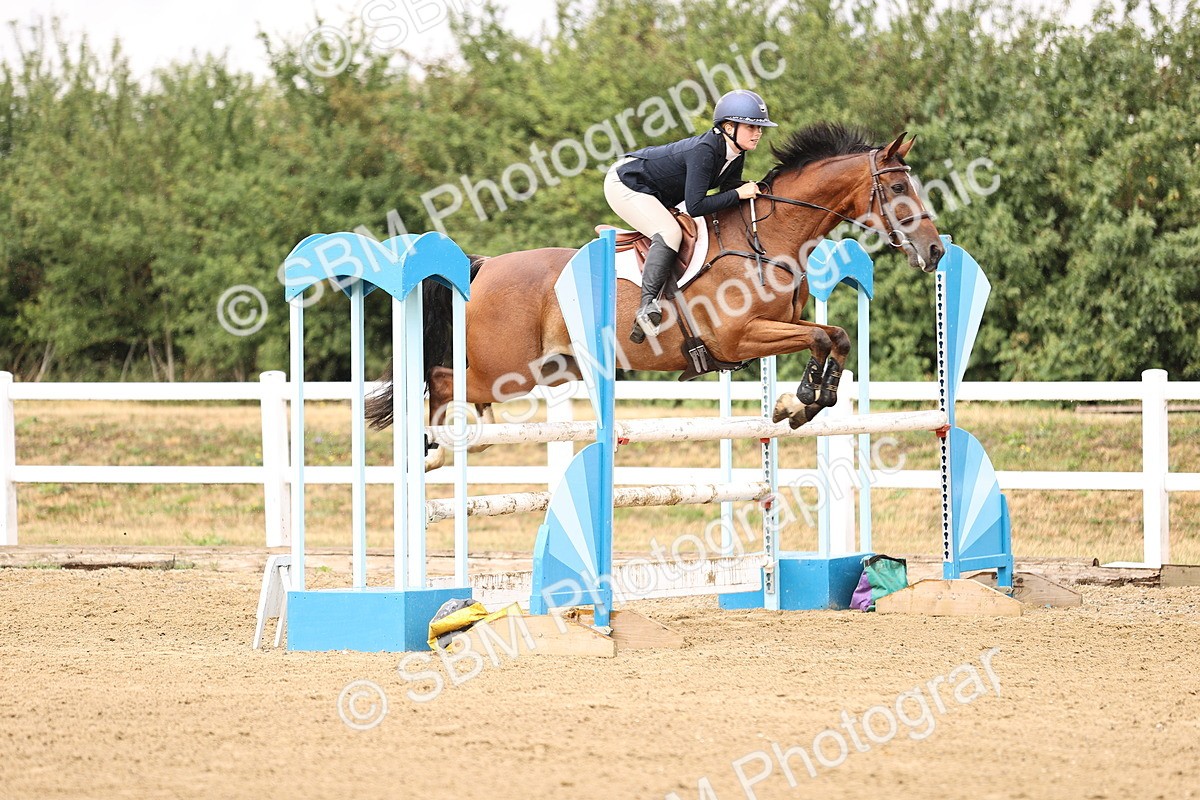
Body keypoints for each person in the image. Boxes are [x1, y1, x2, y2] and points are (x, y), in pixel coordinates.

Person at [604, 89, 777, 343]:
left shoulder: (735, 152)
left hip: (655, 190)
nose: (758, 133)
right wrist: (740, 193)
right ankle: (646, 306)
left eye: (759, 128)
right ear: (729, 127)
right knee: (669, 232)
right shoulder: (705, 150)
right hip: (626, 183)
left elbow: (729, 188)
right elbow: (696, 205)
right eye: (751, 127)